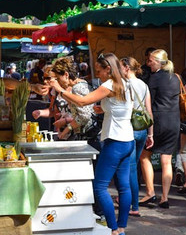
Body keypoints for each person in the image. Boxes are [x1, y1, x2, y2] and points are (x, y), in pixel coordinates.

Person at [50, 53, 134, 235]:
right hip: (128, 139)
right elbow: (112, 107)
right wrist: (101, 108)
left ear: (108, 69)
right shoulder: (127, 83)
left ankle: (113, 229)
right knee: (124, 186)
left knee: (99, 187)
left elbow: (82, 101)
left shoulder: (109, 84)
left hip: (115, 141)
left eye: (99, 71)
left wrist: (60, 90)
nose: (97, 75)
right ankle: (121, 227)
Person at [139, 49, 180, 209]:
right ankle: (164, 197)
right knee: (166, 161)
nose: (148, 64)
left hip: (158, 121)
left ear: (158, 62)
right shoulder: (176, 77)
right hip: (174, 121)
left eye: (150, 61)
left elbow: (149, 103)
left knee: (144, 156)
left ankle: (150, 193)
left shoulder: (154, 78)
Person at [120, 56, 154, 218]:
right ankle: (131, 201)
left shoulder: (126, 85)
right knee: (134, 166)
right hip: (142, 129)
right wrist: (151, 133)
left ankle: (133, 205)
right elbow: (149, 111)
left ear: (127, 67)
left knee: (131, 168)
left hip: (129, 128)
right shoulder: (144, 85)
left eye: (120, 67)